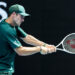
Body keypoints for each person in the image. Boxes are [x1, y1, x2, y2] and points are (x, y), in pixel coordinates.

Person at [0, 4, 56, 75]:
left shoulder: (11, 25)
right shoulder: (6, 30)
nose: (23, 20)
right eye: (21, 16)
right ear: (14, 14)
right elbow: (20, 51)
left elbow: (27, 38)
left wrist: (46, 45)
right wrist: (40, 49)